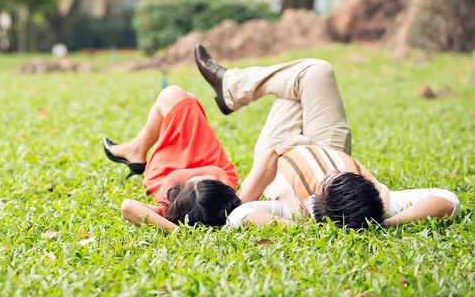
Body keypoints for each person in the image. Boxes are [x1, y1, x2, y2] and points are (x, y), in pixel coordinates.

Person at [193, 44, 460, 229]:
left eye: (326, 182)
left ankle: (230, 86)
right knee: (317, 70)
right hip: (329, 144)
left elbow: (239, 216)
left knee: (291, 87)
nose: (327, 173)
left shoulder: (297, 212)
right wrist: (386, 222)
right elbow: (448, 198)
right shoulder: (382, 201)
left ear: (315, 208)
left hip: (278, 153)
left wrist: (310, 229)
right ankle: (230, 86)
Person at [103, 85, 241, 230]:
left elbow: (128, 207)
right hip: (212, 160)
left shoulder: (171, 208)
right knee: (188, 99)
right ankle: (135, 149)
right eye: (205, 180)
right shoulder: (232, 204)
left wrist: (177, 231)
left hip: (167, 168)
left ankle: (135, 150)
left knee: (174, 96)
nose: (197, 175)